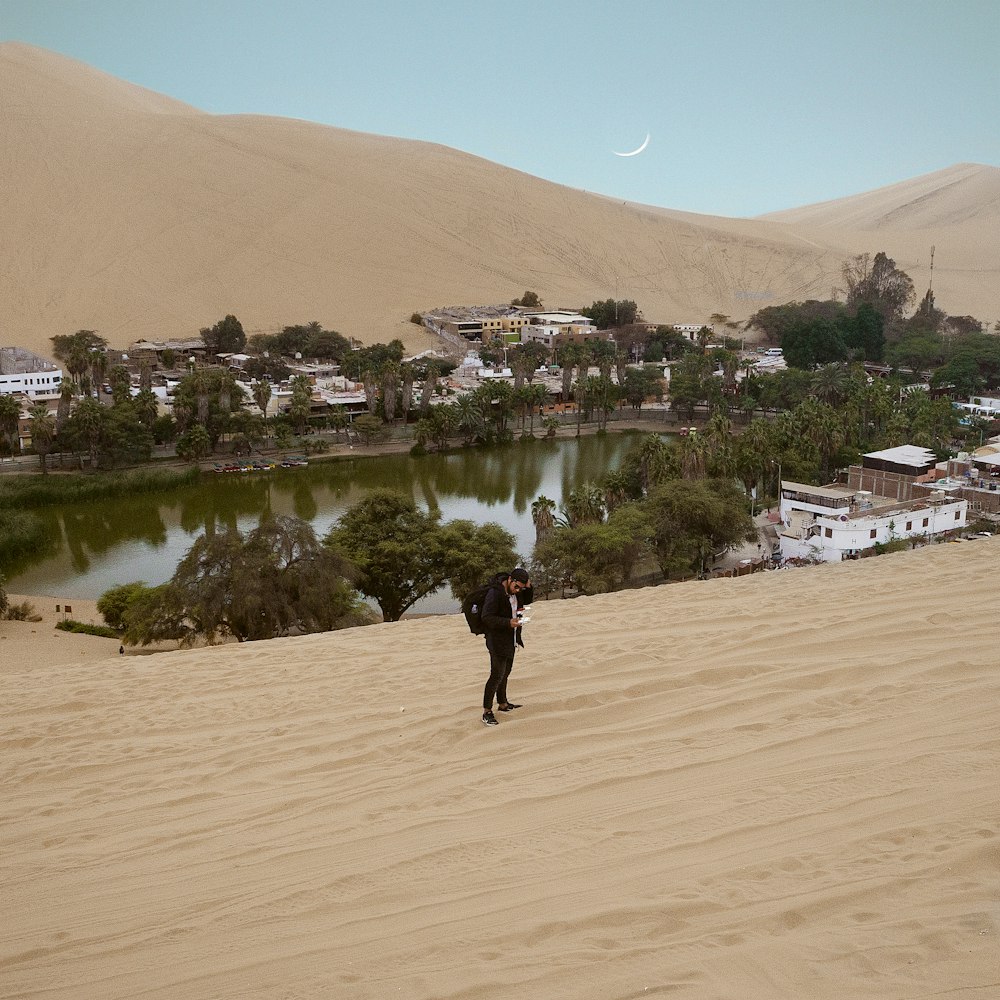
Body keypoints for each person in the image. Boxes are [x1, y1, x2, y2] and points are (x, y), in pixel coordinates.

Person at [479, 567, 531, 726]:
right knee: (496, 675)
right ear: (510, 579)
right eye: (517, 587)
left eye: (521, 588)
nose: (518, 590)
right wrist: (507, 622)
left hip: (511, 639)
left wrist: (529, 587)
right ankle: (487, 711)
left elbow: (527, 600)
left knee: (505, 672)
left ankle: (503, 703)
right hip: (497, 640)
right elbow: (487, 617)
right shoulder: (495, 593)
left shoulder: (517, 593)